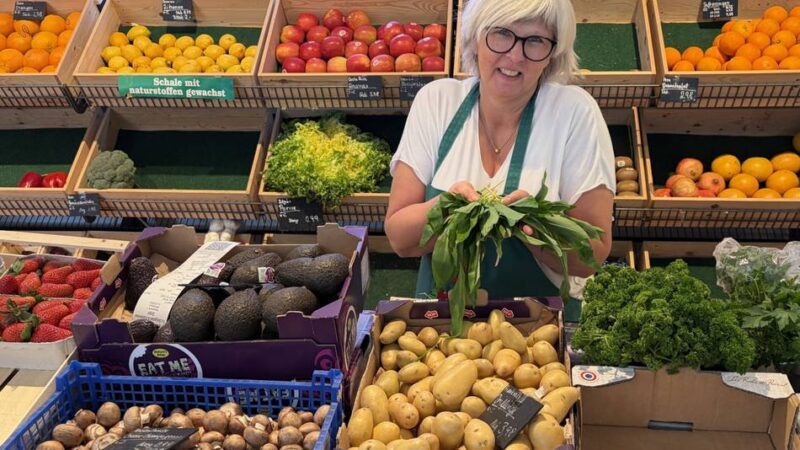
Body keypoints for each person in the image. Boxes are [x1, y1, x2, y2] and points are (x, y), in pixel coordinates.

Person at [385, 0, 615, 307]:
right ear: (475, 38)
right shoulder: (437, 103)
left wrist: (532, 224)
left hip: (541, 333)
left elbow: (592, 255)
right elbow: (400, 238)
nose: (515, 55)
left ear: (552, 54)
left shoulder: (573, 112)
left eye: (535, 41)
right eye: (502, 34)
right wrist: (445, 208)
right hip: (440, 330)